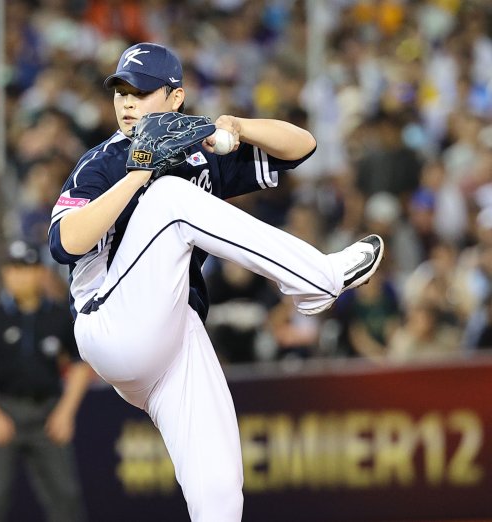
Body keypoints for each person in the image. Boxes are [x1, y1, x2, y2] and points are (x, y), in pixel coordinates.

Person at [48, 42, 384, 521]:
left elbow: (301, 146)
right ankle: (319, 279)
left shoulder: (198, 154)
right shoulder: (101, 163)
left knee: (220, 490)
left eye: (140, 92)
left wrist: (238, 127)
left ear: (175, 97)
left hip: (174, 335)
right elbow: (65, 242)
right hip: (108, 322)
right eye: (120, 91)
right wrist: (138, 175)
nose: (126, 102)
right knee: (168, 197)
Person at [0, 240, 90, 522]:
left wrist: (66, 411)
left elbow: (80, 364)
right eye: (13, 269)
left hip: (48, 413)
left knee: (66, 496)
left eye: (26, 269)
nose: (19, 276)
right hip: (6, 410)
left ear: (40, 273)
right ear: (5, 274)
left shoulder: (58, 316)